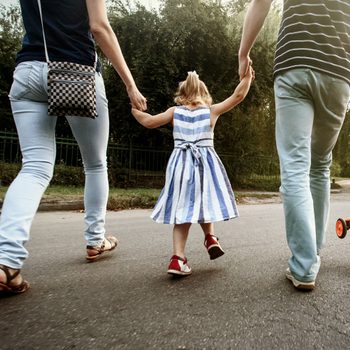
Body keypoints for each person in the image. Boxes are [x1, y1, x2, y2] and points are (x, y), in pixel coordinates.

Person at [0, 0, 147, 295]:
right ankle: (95, 240)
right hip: (76, 72)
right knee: (95, 163)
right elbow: (99, 27)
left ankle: (6, 261)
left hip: (28, 71)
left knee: (35, 168)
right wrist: (131, 85)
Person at [239, 0, 350, 290]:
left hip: (296, 62)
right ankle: (312, 251)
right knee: (320, 164)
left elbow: (262, 2)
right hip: (339, 71)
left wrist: (243, 53)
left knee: (296, 166)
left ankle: (303, 266)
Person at [131, 69, 254, 276]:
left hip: (180, 164)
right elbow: (238, 96)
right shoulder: (211, 111)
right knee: (204, 201)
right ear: (204, 92)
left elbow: (149, 121)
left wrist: (134, 108)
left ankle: (178, 259)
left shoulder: (173, 112)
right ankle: (211, 238)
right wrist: (248, 77)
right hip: (205, 164)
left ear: (182, 93)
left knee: (183, 210)